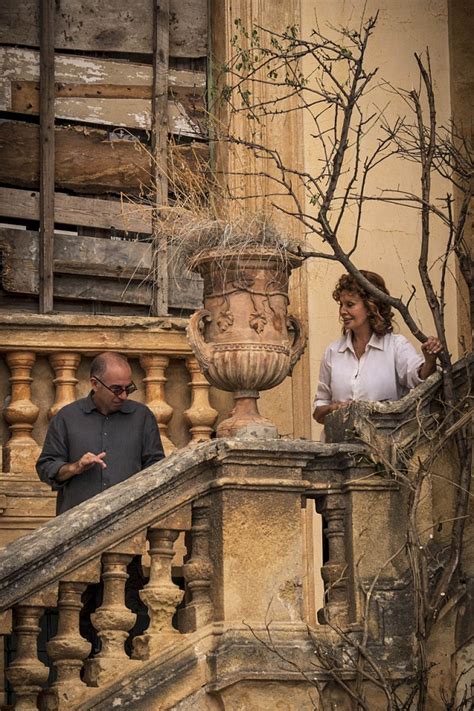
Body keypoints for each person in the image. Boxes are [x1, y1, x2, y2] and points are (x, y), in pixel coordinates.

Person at [37, 351, 165, 514]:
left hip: (129, 523)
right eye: (117, 389)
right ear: (95, 384)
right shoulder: (67, 417)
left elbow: (157, 467)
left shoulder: (142, 417)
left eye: (129, 388)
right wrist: (76, 467)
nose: (124, 395)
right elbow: (46, 467)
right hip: (76, 523)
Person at [313, 270, 442, 425]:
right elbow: (318, 411)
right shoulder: (333, 352)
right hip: (339, 446)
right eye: (341, 304)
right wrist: (335, 408)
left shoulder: (396, 346)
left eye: (350, 305)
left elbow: (420, 381)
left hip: (383, 445)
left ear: (370, 307)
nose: (342, 311)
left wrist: (429, 361)